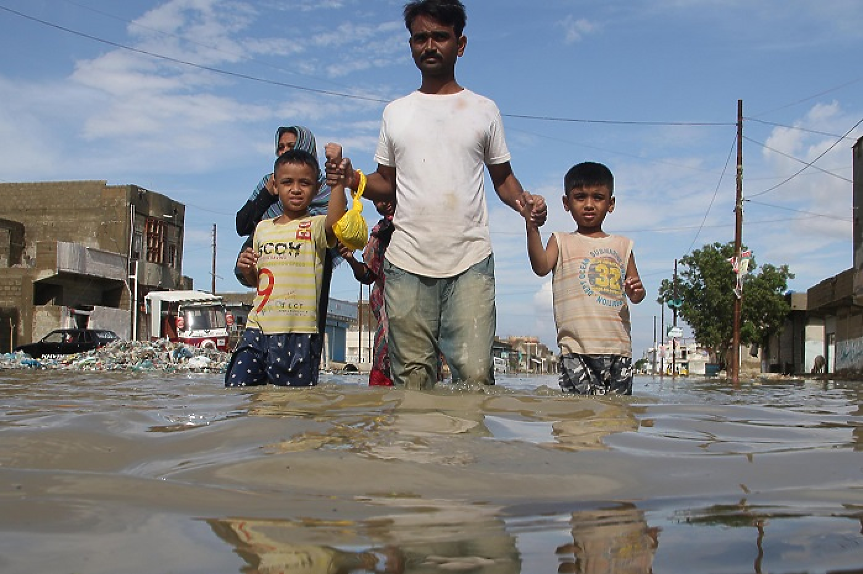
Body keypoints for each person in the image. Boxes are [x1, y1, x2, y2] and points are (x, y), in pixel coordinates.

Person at [326, 0, 546, 390]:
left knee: (475, 378)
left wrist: (524, 202)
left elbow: (503, 179)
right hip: (406, 264)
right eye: (420, 38)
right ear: (410, 45)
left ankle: (463, 452)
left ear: (460, 45)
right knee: (412, 383)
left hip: (471, 263)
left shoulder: (484, 110)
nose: (430, 45)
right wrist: (352, 177)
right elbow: (385, 182)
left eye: (440, 37)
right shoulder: (396, 112)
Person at [519, 161, 645, 395]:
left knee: (617, 418)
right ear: (566, 203)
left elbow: (637, 292)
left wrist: (636, 291)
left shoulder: (622, 245)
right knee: (577, 417)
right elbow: (541, 266)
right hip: (575, 348)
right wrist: (531, 226)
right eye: (580, 197)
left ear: (611, 204)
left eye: (598, 197)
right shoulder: (560, 240)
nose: (589, 204)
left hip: (617, 348)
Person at [225, 147, 347, 387]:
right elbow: (256, 282)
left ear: (315, 188)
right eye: (287, 182)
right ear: (275, 185)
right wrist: (248, 268)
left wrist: (337, 182)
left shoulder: (316, 226)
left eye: (305, 183)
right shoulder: (262, 228)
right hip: (257, 327)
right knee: (237, 387)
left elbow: (336, 221)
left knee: (292, 403)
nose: (296, 189)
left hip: (298, 331)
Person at [235, 125, 336, 337]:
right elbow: (242, 225)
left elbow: (335, 224)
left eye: (291, 146)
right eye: (280, 147)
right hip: (272, 261)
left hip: (308, 265)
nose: (285, 151)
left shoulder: (324, 188)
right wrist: (268, 194)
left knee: (308, 326)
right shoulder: (270, 183)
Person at [339, 199, 397, 386]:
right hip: (388, 320)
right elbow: (368, 275)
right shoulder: (379, 233)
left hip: (421, 317)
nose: (383, 203)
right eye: (377, 200)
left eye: (386, 196)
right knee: (383, 384)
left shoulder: (421, 226)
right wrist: (350, 259)